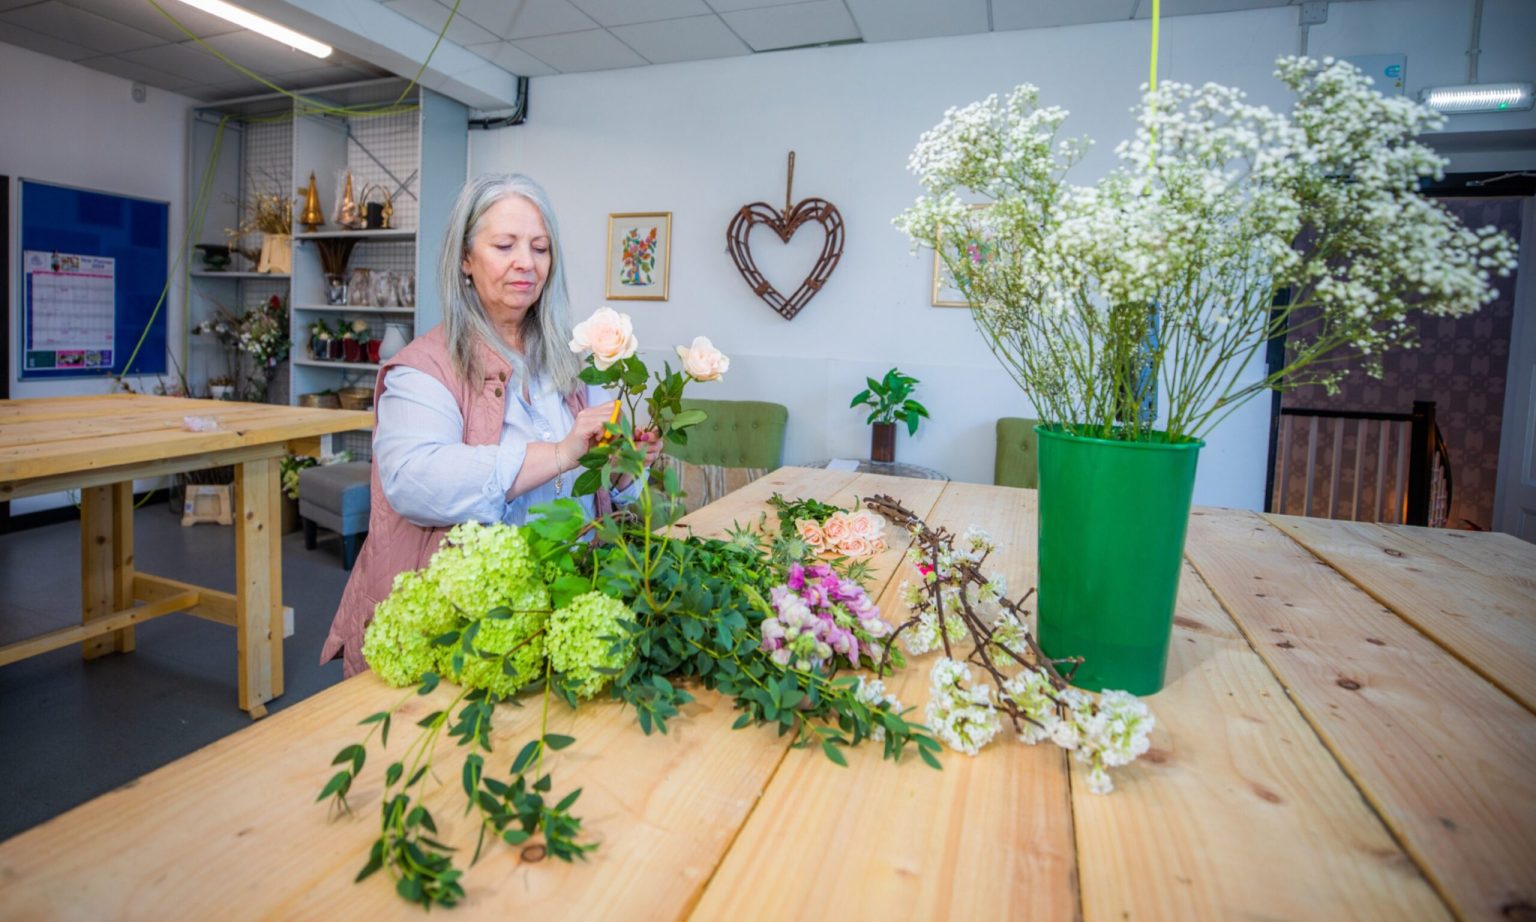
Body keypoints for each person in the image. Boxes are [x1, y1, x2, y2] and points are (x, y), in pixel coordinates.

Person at [321, 173, 660, 676]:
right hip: (465, 621)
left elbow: (592, 486)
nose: (526, 262)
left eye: (540, 248)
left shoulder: (570, 364)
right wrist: (560, 453)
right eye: (505, 245)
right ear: (465, 258)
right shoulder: (424, 367)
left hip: (564, 596)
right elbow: (415, 481)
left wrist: (624, 470)